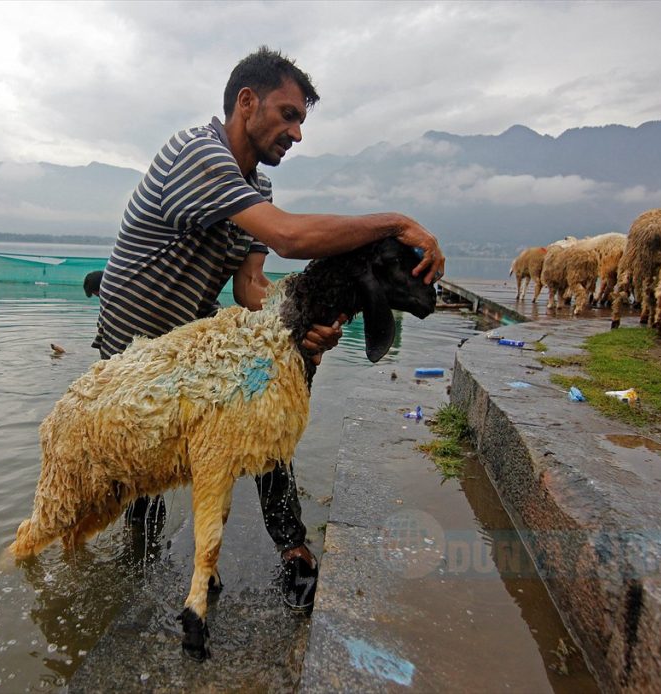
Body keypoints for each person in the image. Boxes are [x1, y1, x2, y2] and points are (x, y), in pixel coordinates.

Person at [93, 46, 445, 612]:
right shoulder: (198, 154)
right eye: (288, 115)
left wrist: (296, 331)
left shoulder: (259, 189)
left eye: (302, 120)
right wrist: (397, 222)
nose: (297, 134)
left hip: (191, 345)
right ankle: (129, 580)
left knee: (267, 397)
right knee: (136, 487)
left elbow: (250, 286)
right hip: (132, 352)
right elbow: (289, 239)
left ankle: (292, 549)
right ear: (246, 102)